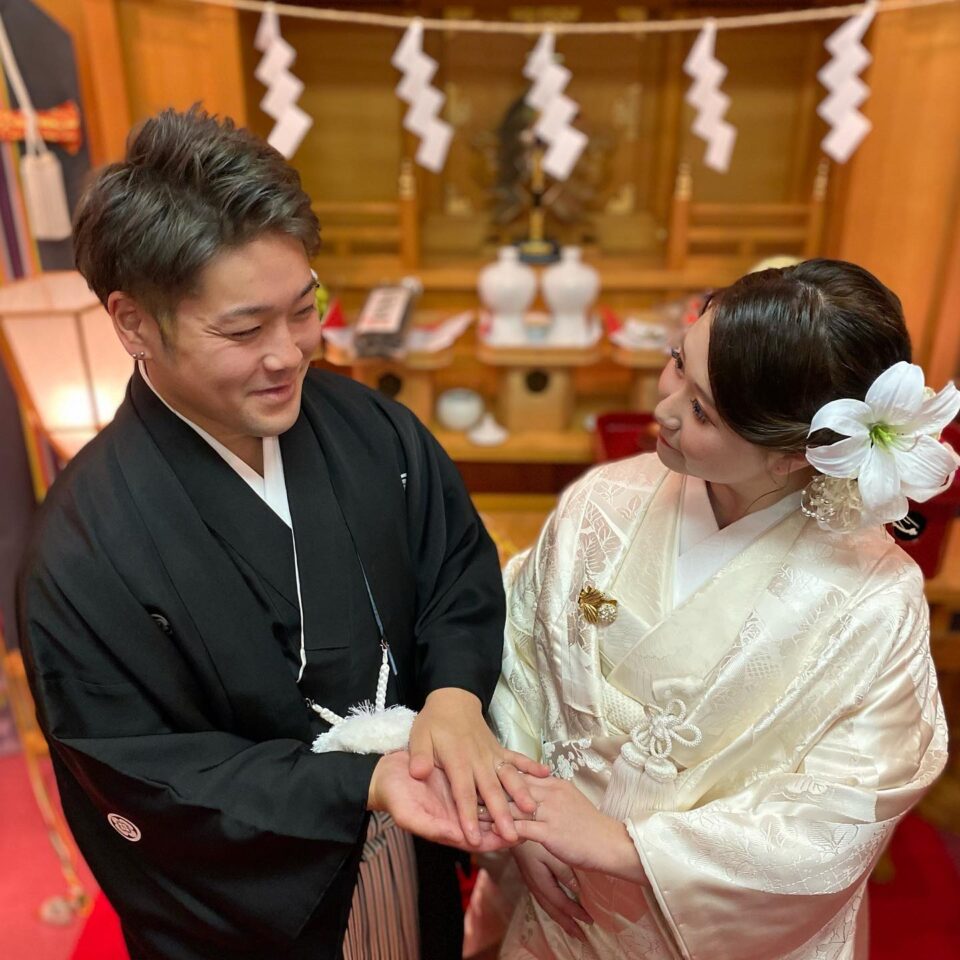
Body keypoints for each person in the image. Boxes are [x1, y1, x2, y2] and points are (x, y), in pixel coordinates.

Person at [17, 107, 548, 960]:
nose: (290, 352)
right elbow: (144, 769)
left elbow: (457, 569)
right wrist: (356, 784)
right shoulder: (84, 549)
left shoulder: (373, 432)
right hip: (264, 902)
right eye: (243, 329)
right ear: (133, 323)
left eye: (304, 309)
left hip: (411, 841)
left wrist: (453, 695)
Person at [485, 259, 955, 958]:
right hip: (554, 883)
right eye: (678, 363)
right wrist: (522, 816)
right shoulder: (603, 502)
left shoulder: (873, 602)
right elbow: (516, 653)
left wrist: (628, 846)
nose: (664, 407)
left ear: (794, 455)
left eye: (702, 410)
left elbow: (839, 817)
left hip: (695, 927)